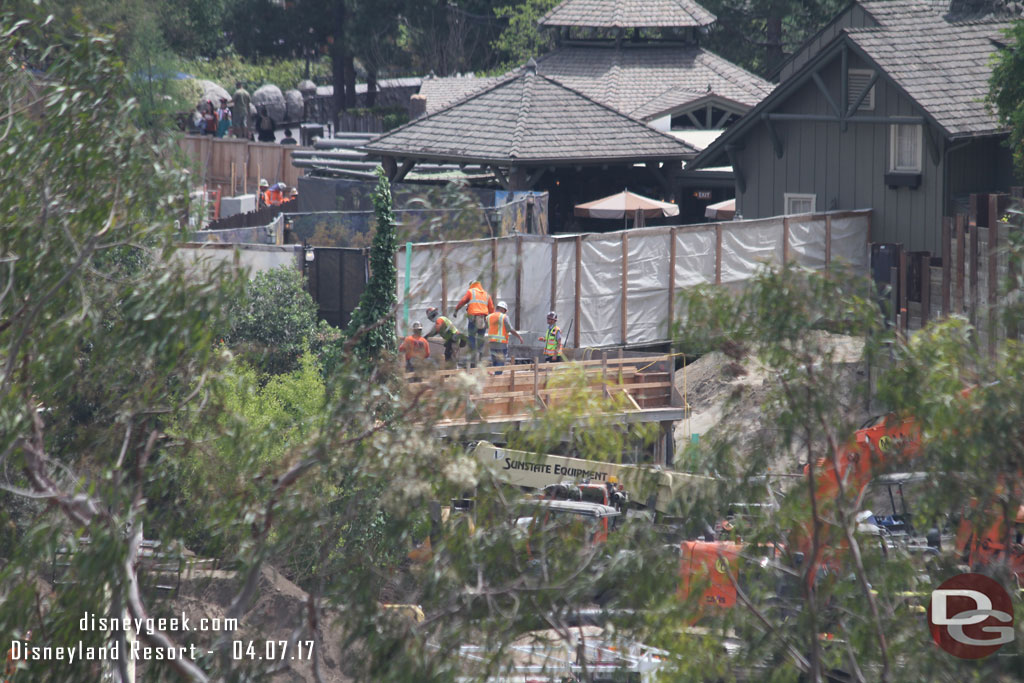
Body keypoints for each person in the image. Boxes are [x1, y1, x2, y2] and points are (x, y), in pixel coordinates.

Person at [453, 280, 494, 367]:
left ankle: (474, 353)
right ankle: (479, 354)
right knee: (481, 337)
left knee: (471, 336)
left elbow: (463, 301)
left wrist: (456, 310)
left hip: (473, 318)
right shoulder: (486, 294)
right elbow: (492, 309)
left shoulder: (471, 292)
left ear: (471, 285)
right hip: (483, 319)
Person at [485, 300, 523, 374]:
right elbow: (510, 329)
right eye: (505, 310)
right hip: (501, 344)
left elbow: (486, 327)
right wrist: (519, 337)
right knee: (500, 362)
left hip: (492, 343)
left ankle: (494, 377)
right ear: (502, 309)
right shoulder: (504, 317)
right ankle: (498, 378)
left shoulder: (489, 317)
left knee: (495, 361)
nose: (505, 312)